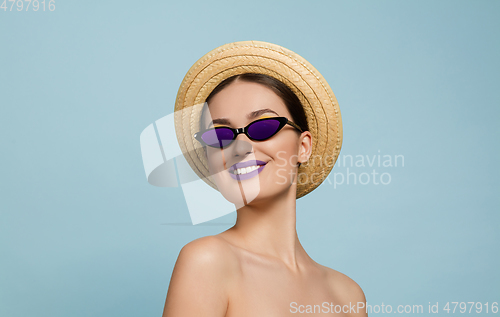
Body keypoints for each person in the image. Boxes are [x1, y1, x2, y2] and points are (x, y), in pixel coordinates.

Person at [162, 41, 367, 317]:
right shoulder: (207, 261)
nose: (240, 147)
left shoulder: (349, 296)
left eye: (263, 126)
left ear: (303, 147)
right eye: (221, 135)